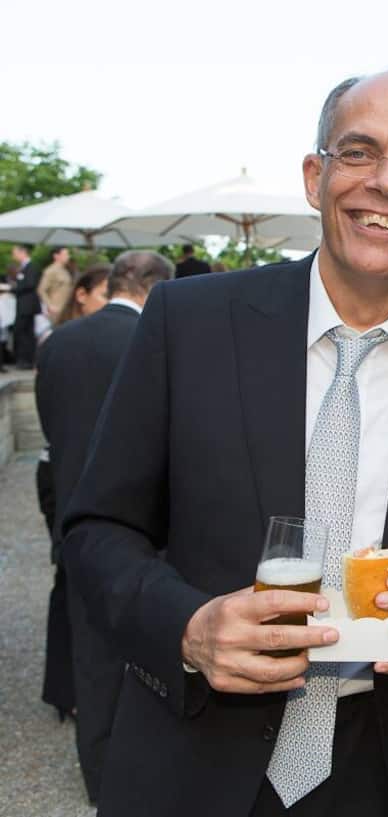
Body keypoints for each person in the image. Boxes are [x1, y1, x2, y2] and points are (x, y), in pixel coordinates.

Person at [61, 70, 388, 817]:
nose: (387, 183)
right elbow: (98, 528)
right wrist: (188, 628)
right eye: (358, 152)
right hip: (191, 760)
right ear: (314, 175)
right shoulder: (187, 323)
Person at [36, 252, 173, 804]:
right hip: (148, 527)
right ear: (157, 289)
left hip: (74, 515)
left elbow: (50, 432)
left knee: (90, 653)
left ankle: (99, 776)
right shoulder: (159, 343)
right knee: (150, 649)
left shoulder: (60, 344)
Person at [37, 262, 114, 729]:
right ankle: (67, 687)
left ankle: (63, 690)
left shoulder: (58, 344)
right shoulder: (62, 342)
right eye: (103, 295)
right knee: (68, 581)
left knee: (67, 580)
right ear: (81, 294)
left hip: (60, 472)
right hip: (65, 473)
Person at [11, 243, 41, 369]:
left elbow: (30, 284)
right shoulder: (23, 267)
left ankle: (26, 360)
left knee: (23, 333)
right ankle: (26, 360)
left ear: (22, 252)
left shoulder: (31, 267)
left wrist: (14, 288)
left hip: (27, 306)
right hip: (24, 305)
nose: (14, 255)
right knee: (26, 333)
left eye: (15, 252)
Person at [38, 246, 74, 322]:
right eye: (65, 254)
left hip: (65, 308)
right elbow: (41, 290)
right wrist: (50, 305)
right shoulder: (50, 271)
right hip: (56, 309)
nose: (68, 257)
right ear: (56, 256)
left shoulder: (65, 270)